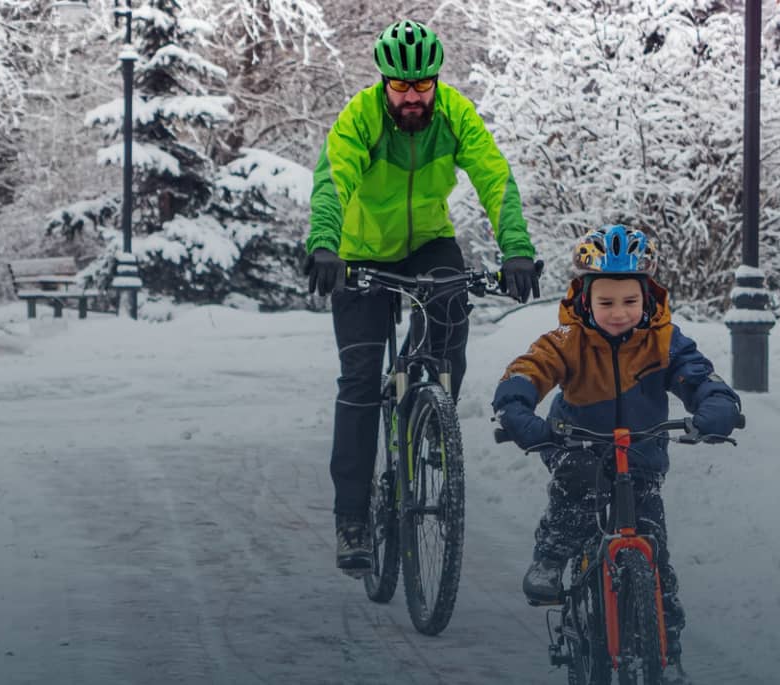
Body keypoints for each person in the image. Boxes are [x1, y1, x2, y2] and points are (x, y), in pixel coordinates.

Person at [306, 19, 540, 576]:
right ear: (385, 82)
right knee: (361, 380)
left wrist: (517, 249)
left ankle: (432, 421)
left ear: (435, 81)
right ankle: (352, 520)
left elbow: (495, 178)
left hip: (427, 244)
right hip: (359, 252)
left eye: (422, 85)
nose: (412, 96)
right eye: (401, 86)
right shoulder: (360, 117)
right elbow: (332, 180)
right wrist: (323, 244)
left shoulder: (455, 115)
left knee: (450, 315)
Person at [492, 225, 741, 682]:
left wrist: (716, 404)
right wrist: (517, 409)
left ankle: (666, 653)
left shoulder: (664, 341)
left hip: (641, 456)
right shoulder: (567, 341)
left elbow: (698, 377)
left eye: (630, 301)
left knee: (655, 555)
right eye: (606, 302)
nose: (619, 313)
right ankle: (552, 554)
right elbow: (527, 371)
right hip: (576, 446)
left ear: (648, 297)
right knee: (576, 496)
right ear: (585, 299)